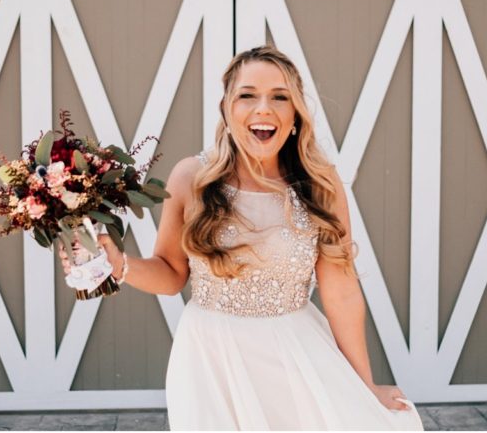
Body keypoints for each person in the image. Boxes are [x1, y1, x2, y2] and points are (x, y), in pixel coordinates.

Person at [61, 45, 424, 430]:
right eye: (247, 95)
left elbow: (342, 293)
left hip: (293, 352)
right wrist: (119, 265)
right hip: (210, 358)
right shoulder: (191, 178)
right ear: (227, 109)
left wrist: (364, 386)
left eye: (279, 97)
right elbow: (170, 274)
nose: (263, 109)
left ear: (295, 114)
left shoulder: (321, 183)